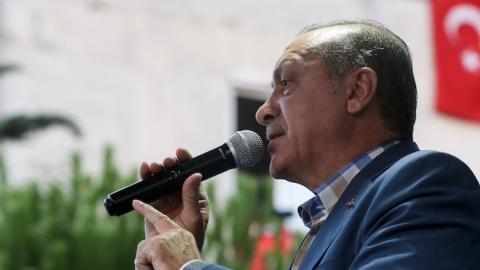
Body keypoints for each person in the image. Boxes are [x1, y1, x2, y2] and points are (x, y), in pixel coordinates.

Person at [132, 19, 480, 269]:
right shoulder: (326, 227)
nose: (264, 112)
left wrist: (192, 268)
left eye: (286, 84)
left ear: (357, 91)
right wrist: (171, 256)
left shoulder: (425, 184)